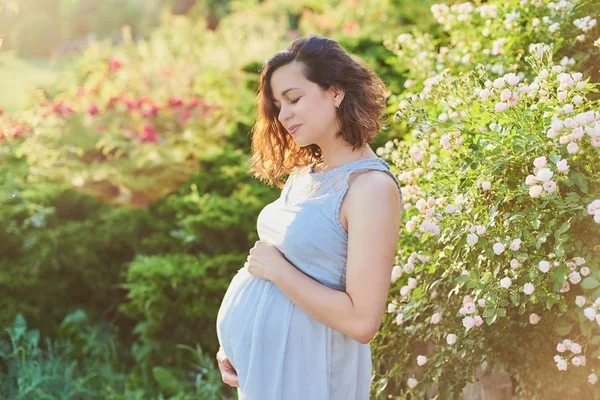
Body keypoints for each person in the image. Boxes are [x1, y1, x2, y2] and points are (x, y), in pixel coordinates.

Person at [215, 34, 403, 400]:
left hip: (312, 373)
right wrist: (241, 346)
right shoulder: (307, 174)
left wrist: (277, 271)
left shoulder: (370, 188)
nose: (283, 116)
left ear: (335, 91)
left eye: (294, 99)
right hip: (267, 371)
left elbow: (362, 322)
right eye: (277, 106)